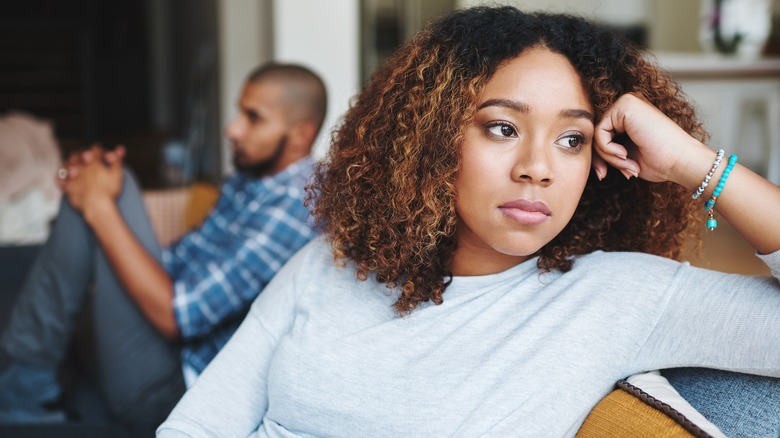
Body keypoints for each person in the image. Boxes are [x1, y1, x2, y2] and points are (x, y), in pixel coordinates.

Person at [157, 6, 780, 437]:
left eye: (572, 139)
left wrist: (697, 165)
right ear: (432, 139)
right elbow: (200, 422)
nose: (537, 167)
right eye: (502, 128)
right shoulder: (329, 260)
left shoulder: (619, 296)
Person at [0, 62, 327, 429]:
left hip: (175, 389)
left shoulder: (295, 206)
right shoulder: (252, 180)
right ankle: (26, 379)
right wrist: (94, 200)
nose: (232, 128)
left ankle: (23, 384)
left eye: (253, 118)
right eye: (240, 111)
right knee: (102, 181)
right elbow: (176, 259)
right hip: (162, 348)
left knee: (108, 189)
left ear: (300, 135)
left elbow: (179, 317)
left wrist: (99, 206)